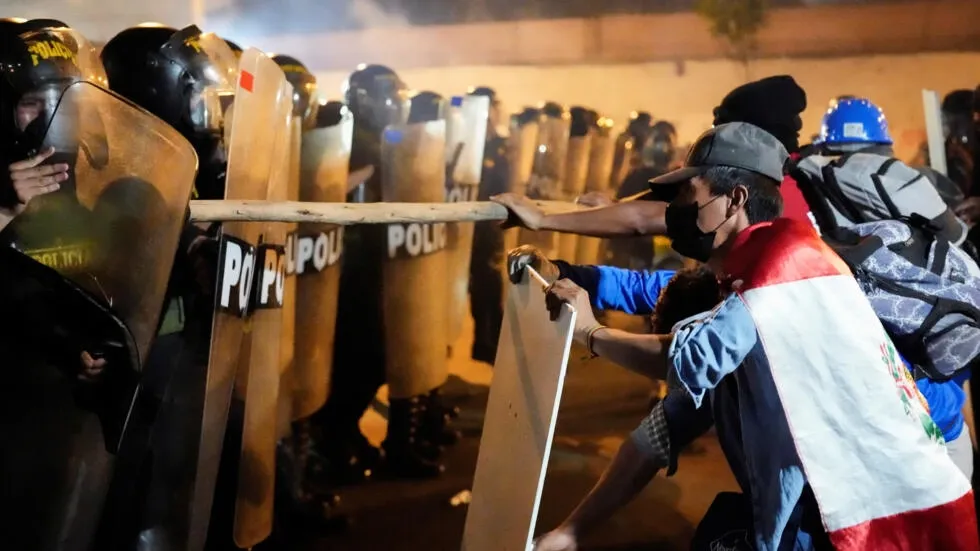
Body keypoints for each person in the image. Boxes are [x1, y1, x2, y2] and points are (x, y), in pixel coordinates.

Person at [541, 122, 976, 550]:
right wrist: (570, 533)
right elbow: (659, 433)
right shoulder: (747, 277)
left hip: (879, 524)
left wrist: (588, 331)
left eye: (688, 195)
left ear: (734, 200)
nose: (674, 211)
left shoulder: (784, 265)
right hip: (850, 517)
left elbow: (689, 359)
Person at [492, 75, 813, 239]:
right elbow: (665, 199)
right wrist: (614, 208)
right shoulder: (786, 171)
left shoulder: (770, 185)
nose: (718, 136)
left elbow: (646, 219)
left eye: (725, 128)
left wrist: (543, 220)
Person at [467, 85, 508, 365]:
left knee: (491, 284)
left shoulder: (496, 142)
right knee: (484, 284)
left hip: (492, 221)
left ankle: (491, 339)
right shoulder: (470, 141)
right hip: (475, 225)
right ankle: (485, 341)